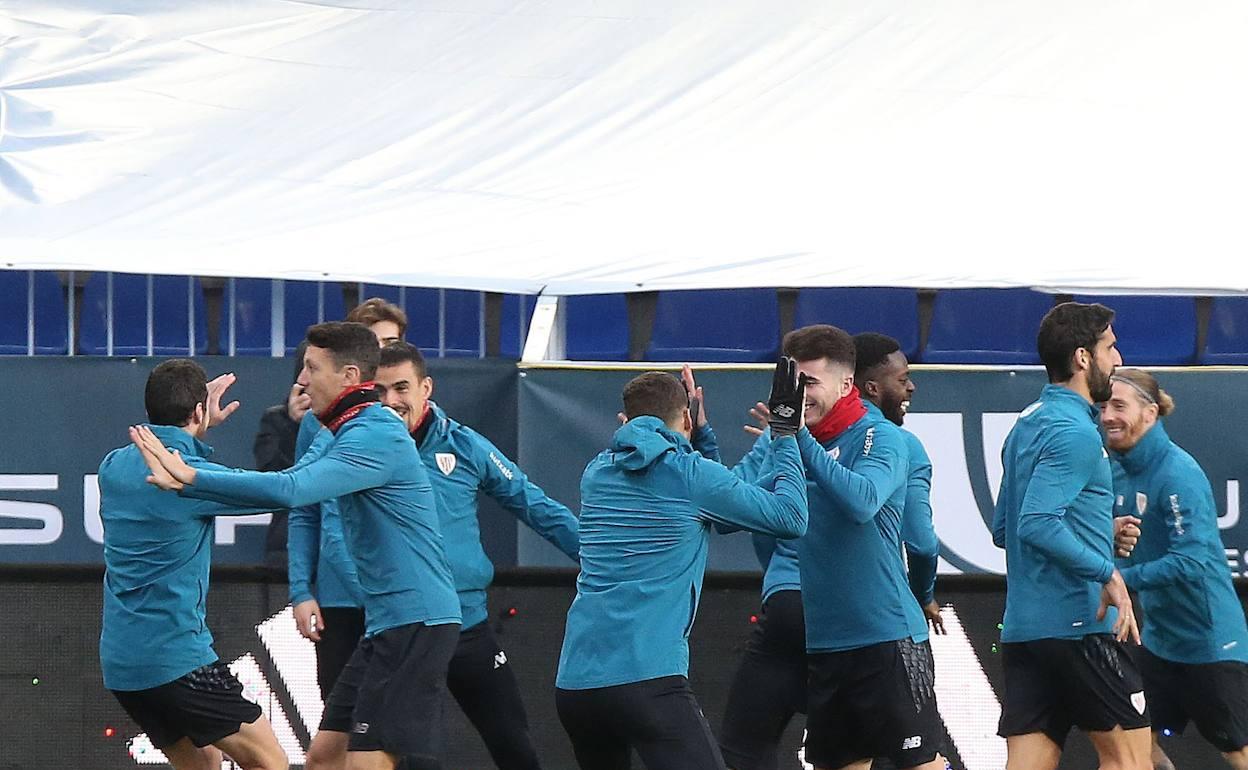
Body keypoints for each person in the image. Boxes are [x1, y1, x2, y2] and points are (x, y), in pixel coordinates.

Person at [132, 322, 461, 770]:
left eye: (311, 367)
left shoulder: (375, 433)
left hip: (417, 621)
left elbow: (290, 489)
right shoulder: (341, 432)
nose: (301, 380)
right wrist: (192, 445)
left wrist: (189, 474)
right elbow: (281, 485)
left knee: (365, 764)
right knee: (322, 761)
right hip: (386, 626)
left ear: (348, 377)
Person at [555, 363, 810, 770]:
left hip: (576, 684)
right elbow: (791, 517)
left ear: (626, 420)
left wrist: (698, 439)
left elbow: (712, 506)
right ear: (687, 417)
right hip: (647, 680)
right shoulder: (691, 476)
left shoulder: (597, 472)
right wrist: (784, 435)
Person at [718, 327, 945, 770]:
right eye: (791, 384)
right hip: (826, 648)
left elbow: (861, 502)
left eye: (809, 384)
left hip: (886, 640)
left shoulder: (882, 438)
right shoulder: (793, 444)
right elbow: (741, 510)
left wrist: (796, 437)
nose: (799, 396)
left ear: (846, 385)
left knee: (921, 765)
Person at [373, 341, 580, 770]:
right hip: (407, 632)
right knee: (418, 761)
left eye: (401, 388)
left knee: (515, 745)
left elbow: (531, 502)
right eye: (379, 392)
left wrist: (598, 554)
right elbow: (310, 509)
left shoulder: (464, 445)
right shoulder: (358, 452)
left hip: (469, 626)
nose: (391, 401)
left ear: (425, 388)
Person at [100, 360, 288, 770]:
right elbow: (283, 493)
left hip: (123, 669)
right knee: (270, 762)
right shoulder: (192, 478)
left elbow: (167, 448)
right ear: (200, 411)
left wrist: (197, 427)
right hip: (178, 662)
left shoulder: (112, 467)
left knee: (203, 766)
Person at [992, 301, 1150, 770]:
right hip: (1078, 626)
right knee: (1131, 762)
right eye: (1110, 347)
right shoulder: (1075, 433)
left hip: (1026, 633)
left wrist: (1098, 531)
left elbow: (1007, 528)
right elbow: (1036, 524)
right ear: (1083, 357)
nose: (1117, 359)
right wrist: (1106, 570)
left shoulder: (1027, 424)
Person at [1104, 369, 1248, 770]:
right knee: (1134, 745)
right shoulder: (1115, 472)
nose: (1108, 416)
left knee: (1237, 751)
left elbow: (1190, 561)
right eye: (1104, 406)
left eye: (1119, 406)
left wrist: (1119, 580)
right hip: (1159, 645)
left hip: (1210, 643)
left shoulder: (1178, 473)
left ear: (1149, 414)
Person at [853, 332, 943, 633]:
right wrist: (922, 596)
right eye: (903, 379)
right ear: (872, 388)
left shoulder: (804, 441)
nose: (912, 387)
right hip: (883, 622)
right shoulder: (903, 445)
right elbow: (922, 543)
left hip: (802, 614)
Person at [253, 343, 310, 576]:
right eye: (306, 367)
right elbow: (273, 480)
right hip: (287, 549)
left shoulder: (353, 423)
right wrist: (295, 427)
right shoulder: (276, 420)